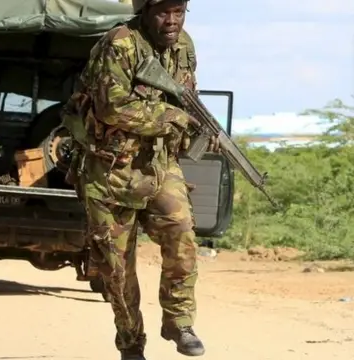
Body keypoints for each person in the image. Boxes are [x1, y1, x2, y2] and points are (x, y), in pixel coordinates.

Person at [62, 0, 220, 358]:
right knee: (116, 271)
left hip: (158, 165)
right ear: (144, 12)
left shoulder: (184, 46)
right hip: (110, 171)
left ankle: (179, 321)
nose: (172, 21)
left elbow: (186, 95)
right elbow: (112, 107)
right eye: (163, 12)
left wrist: (198, 126)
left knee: (181, 231)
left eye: (179, 12)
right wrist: (174, 118)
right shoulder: (120, 44)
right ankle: (131, 342)